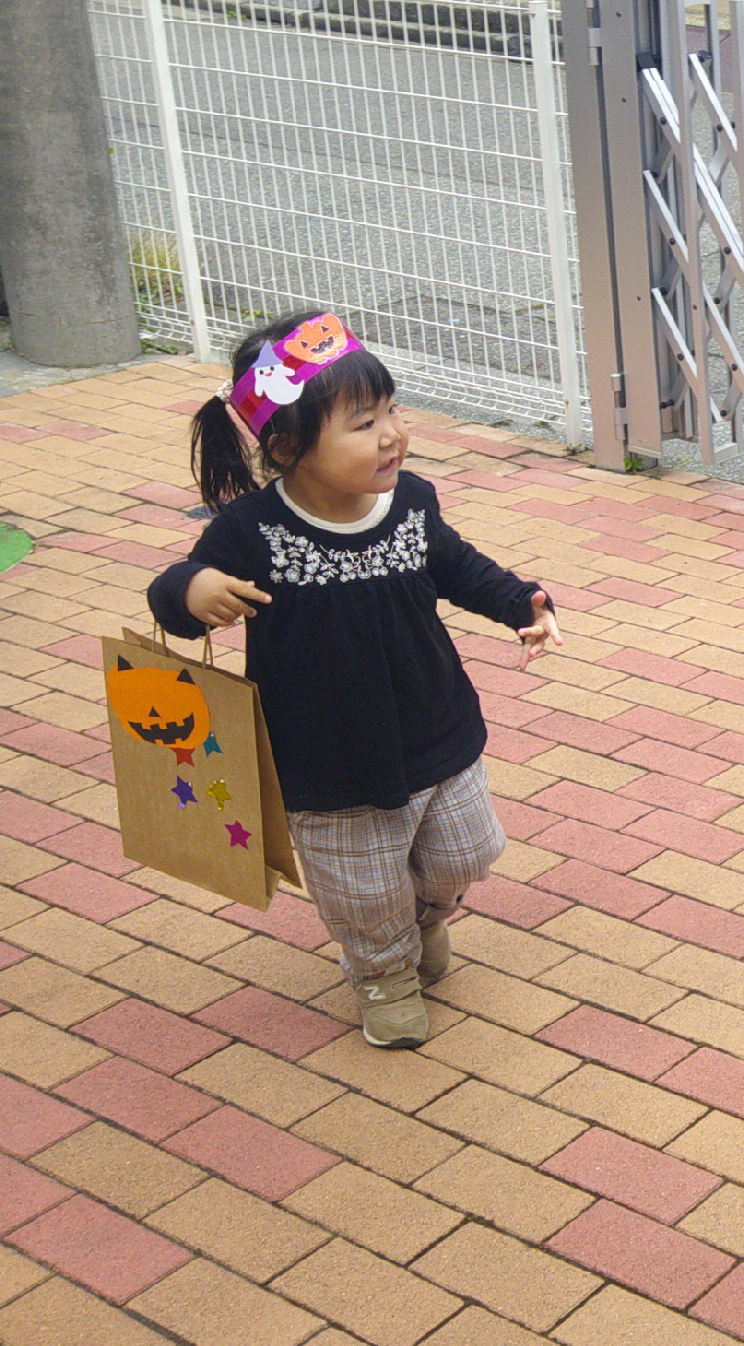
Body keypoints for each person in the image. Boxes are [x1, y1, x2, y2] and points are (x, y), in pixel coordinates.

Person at [148, 313, 560, 1049]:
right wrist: (193, 588)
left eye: (393, 411)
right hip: (326, 756)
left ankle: (424, 920)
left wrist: (521, 602)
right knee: (362, 888)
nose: (392, 434)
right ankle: (383, 973)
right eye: (364, 423)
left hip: (436, 727)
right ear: (287, 447)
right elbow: (173, 593)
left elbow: (457, 566)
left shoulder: (411, 503)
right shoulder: (253, 531)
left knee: (466, 854)